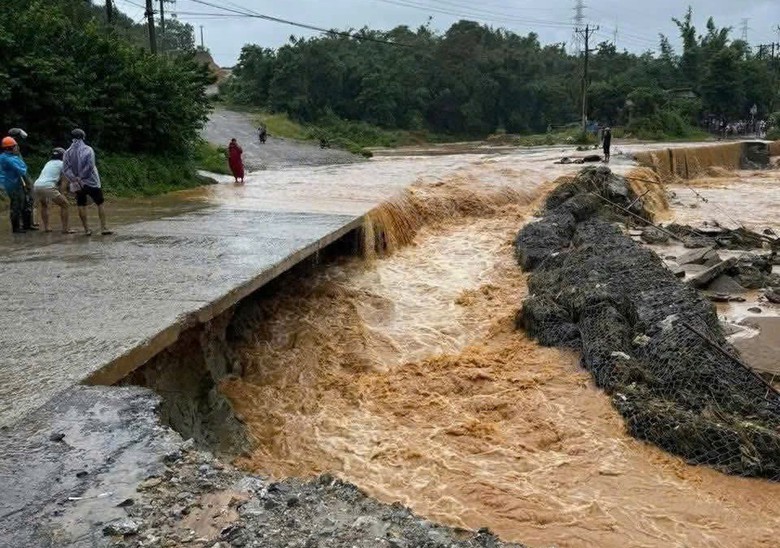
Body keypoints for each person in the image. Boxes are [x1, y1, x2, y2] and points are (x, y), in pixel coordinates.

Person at [62, 128, 112, 236]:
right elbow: (90, 165)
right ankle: (103, 228)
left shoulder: (67, 152)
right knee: (100, 203)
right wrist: (82, 176)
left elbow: (66, 169)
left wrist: (75, 178)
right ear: (83, 137)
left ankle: (87, 230)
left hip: (77, 184)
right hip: (92, 181)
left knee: (81, 204)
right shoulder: (88, 149)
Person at [34, 147, 73, 234]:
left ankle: (47, 227)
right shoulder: (63, 165)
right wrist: (62, 194)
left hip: (37, 185)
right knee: (65, 205)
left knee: (44, 205)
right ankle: (65, 229)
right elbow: (64, 182)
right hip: (48, 186)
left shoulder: (48, 163)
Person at [8, 127, 38, 230]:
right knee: (17, 204)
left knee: (27, 202)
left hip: (22, 179)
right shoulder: (10, 151)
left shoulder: (15, 150)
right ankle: (17, 227)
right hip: (17, 181)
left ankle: (27, 224)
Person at [0, 136, 29, 233]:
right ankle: (16, 227)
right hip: (13, 185)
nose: (17, 148)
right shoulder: (10, 159)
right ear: (10, 148)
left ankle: (21, 225)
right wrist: (18, 156)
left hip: (8, 183)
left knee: (17, 204)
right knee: (16, 205)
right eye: (15, 146)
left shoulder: (3, 156)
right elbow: (23, 170)